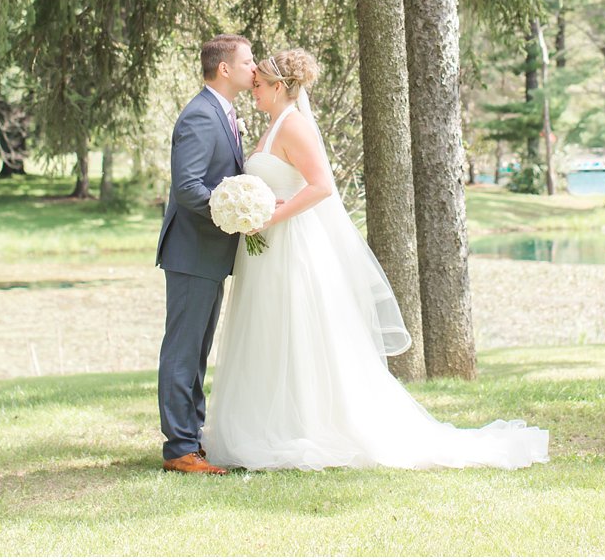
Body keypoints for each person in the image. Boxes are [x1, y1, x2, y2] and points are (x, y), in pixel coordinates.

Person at [203, 49, 549, 471]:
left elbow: (321, 187)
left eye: (258, 85)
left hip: (291, 245)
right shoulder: (274, 126)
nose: (252, 90)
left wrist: (271, 215)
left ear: (279, 87)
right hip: (266, 248)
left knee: (294, 329)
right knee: (269, 331)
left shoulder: (294, 125)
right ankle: (268, 421)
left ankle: (304, 426)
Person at [155, 34, 255, 475]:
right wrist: (234, 213)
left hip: (209, 255)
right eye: (249, 61)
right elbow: (189, 187)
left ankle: (190, 441)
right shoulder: (199, 115)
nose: (255, 69)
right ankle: (179, 449)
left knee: (195, 352)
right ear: (225, 69)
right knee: (182, 352)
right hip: (192, 251)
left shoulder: (225, 114)